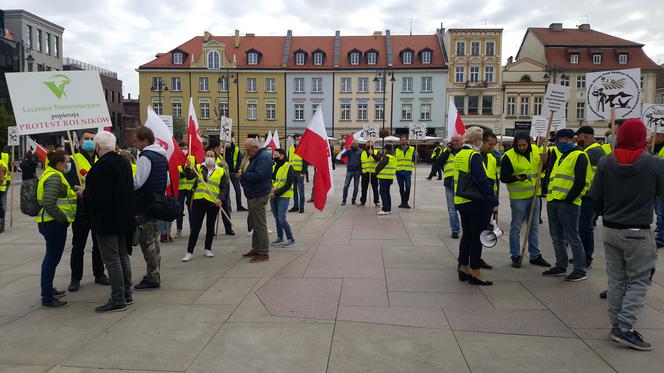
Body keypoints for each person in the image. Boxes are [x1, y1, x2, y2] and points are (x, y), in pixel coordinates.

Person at [590, 118, 663, 351]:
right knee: (639, 281)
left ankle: (617, 324)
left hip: (611, 229)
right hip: (638, 231)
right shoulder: (654, 163)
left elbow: (595, 196)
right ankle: (624, 328)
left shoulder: (605, 161)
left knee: (616, 280)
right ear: (642, 138)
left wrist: (606, 213)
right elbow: (661, 192)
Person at [78, 132, 136, 312]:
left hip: (107, 220)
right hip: (123, 218)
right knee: (122, 256)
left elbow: (98, 196)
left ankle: (118, 299)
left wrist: (83, 193)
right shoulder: (123, 162)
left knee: (112, 261)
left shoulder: (101, 166)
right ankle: (127, 293)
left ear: (97, 147)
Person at [542, 129, 592, 282]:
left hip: (568, 203)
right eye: (557, 141)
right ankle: (561, 264)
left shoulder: (579, 155)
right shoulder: (561, 156)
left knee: (572, 237)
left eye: (559, 140)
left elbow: (581, 182)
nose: (558, 143)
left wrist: (569, 199)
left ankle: (579, 269)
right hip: (554, 200)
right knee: (556, 237)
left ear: (568, 139)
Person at [453, 126, 499, 286]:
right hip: (475, 203)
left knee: (467, 235)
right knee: (477, 237)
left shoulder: (460, 153)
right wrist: (494, 201)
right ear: (477, 140)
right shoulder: (474, 155)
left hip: (462, 201)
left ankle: (463, 267)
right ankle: (475, 271)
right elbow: (482, 181)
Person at [65, 131, 108, 292]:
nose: (89, 142)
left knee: (98, 244)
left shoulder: (101, 159)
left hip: (97, 208)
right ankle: (75, 278)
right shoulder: (73, 160)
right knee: (78, 246)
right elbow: (71, 184)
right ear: (79, 141)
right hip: (81, 209)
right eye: (86, 139)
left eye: (92, 139)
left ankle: (99, 273)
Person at [500, 133, 550, 269]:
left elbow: (541, 170)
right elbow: (503, 177)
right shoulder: (508, 156)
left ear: (529, 143)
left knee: (533, 227)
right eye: (519, 145)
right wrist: (516, 178)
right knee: (516, 227)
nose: (521, 147)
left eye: (524, 145)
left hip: (534, 194)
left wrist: (545, 162)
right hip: (518, 198)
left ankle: (535, 255)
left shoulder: (536, 151)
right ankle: (515, 255)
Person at [37, 149, 77, 307]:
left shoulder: (50, 173)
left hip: (49, 222)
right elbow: (49, 202)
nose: (68, 165)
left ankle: (47, 289)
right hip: (52, 223)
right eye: (67, 162)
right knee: (51, 259)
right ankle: (47, 297)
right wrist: (63, 220)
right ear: (59, 164)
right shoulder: (54, 177)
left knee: (51, 258)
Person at [132, 127, 168, 290]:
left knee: (147, 242)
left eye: (136, 141)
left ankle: (153, 277)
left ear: (145, 141)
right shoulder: (161, 156)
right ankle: (155, 272)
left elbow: (138, 182)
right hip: (157, 201)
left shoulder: (146, 156)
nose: (135, 145)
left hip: (145, 203)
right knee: (154, 239)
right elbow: (166, 180)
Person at [182, 147, 229, 262]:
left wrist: (220, 199)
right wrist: (188, 166)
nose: (209, 158)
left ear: (216, 158)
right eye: (207, 155)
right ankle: (189, 252)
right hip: (199, 200)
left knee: (210, 226)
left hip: (213, 202)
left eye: (212, 156)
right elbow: (189, 176)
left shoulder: (221, 171)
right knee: (196, 226)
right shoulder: (198, 167)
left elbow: (223, 188)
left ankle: (208, 249)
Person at [576, 126, 610, 268]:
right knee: (583, 226)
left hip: (589, 196)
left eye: (578, 137)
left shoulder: (592, 152)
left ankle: (586, 256)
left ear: (584, 137)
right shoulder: (592, 150)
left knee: (585, 227)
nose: (577, 140)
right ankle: (583, 255)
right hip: (590, 194)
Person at [239, 138, 274, 262]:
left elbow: (260, 175)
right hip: (253, 194)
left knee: (260, 225)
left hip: (259, 195)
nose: (247, 152)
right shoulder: (257, 157)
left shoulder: (263, 158)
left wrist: (243, 176)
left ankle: (264, 253)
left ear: (255, 147)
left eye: (249, 150)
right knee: (255, 224)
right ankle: (256, 249)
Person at [270, 148, 296, 247]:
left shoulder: (288, 167)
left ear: (282, 155)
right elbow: (270, 179)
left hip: (284, 195)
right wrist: (271, 189)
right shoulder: (273, 166)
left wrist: (276, 192)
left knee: (281, 218)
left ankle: (291, 238)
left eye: (276, 155)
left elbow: (288, 183)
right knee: (276, 218)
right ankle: (280, 237)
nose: (274, 157)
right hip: (273, 195)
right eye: (273, 155)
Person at [440, 135, 463, 238]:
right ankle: (455, 229)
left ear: (461, 141)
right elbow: (438, 163)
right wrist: (447, 151)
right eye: (453, 141)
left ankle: (466, 229)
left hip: (462, 184)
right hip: (449, 183)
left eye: (456, 141)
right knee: (451, 209)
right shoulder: (446, 152)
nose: (454, 142)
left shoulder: (464, 152)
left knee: (463, 208)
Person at [175, 142, 196, 238]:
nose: (184, 149)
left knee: (191, 209)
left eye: (185, 147)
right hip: (180, 188)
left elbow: (193, 172)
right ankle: (179, 229)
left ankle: (192, 228)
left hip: (190, 187)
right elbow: (177, 173)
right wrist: (185, 171)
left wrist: (186, 171)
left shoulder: (192, 158)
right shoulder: (176, 158)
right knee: (179, 209)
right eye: (182, 148)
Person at [224, 140, 247, 211]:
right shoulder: (223, 149)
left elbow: (239, 160)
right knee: (227, 190)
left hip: (234, 172)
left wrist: (237, 170)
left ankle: (239, 206)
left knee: (238, 190)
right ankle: (228, 207)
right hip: (225, 172)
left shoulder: (236, 149)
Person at [339, 138, 362, 206]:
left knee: (356, 187)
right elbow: (342, 156)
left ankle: (353, 200)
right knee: (346, 186)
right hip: (350, 171)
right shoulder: (349, 151)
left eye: (355, 144)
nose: (353, 145)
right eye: (352, 144)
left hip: (357, 171)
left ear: (357, 144)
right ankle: (344, 200)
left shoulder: (361, 151)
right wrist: (347, 150)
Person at [395, 135, 416, 209]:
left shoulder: (412, 149)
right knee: (401, 188)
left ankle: (406, 202)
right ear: (399, 141)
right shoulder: (396, 150)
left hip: (407, 171)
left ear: (406, 141)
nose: (402, 141)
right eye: (401, 140)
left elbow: (415, 159)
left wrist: (417, 156)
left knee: (408, 187)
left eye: (404, 140)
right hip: (399, 171)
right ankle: (403, 202)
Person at [375, 144, 396, 215]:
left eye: (384, 149)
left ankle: (385, 209)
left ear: (386, 149)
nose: (383, 150)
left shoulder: (386, 157)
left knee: (382, 193)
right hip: (389, 178)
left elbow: (379, 166)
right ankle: (388, 208)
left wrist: (376, 173)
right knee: (387, 193)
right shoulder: (393, 157)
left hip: (384, 178)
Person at [288, 134, 307, 213]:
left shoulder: (304, 149)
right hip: (292, 173)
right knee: (294, 191)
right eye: (297, 139)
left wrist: (303, 172)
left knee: (301, 191)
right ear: (294, 139)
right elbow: (289, 161)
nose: (298, 140)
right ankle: (295, 206)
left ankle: (301, 207)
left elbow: (305, 162)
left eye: (300, 139)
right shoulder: (291, 149)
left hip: (300, 173)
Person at [360, 142, 380, 207]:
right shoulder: (363, 152)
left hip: (373, 173)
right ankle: (363, 201)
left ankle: (376, 201)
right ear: (366, 145)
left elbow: (379, 159)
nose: (369, 144)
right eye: (367, 143)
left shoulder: (377, 152)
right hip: (365, 173)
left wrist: (373, 154)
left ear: (373, 144)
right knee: (364, 188)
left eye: (370, 143)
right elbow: (360, 163)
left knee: (375, 188)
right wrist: (361, 172)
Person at [0, 149, 11, 233]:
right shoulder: (6, 156)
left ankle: (1, 222)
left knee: (1, 204)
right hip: (6, 183)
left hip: (2, 183)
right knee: (3, 203)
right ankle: (2, 221)